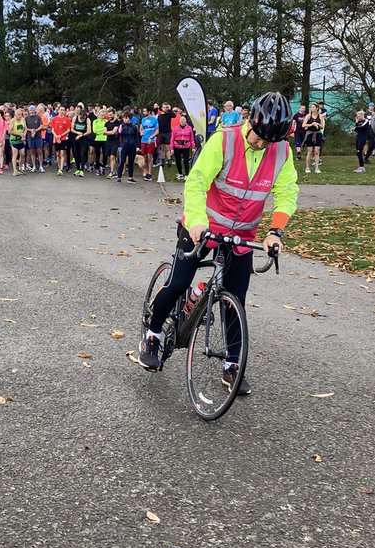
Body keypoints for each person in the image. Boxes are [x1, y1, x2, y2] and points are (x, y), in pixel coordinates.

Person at [138, 92, 298, 394]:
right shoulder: (224, 141)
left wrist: (276, 231)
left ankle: (232, 366)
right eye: (259, 137)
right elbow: (197, 181)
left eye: (269, 141)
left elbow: (287, 192)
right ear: (248, 120)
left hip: (241, 236)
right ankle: (153, 333)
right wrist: (197, 221)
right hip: (203, 228)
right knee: (177, 282)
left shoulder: (281, 153)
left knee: (235, 297)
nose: (261, 144)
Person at [117, 108, 140, 183]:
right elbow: (117, 137)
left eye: (126, 118)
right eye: (123, 118)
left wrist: (138, 146)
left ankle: (130, 177)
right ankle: (119, 177)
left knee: (131, 162)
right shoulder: (121, 126)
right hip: (124, 145)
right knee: (122, 161)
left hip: (132, 145)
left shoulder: (133, 127)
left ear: (129, 118)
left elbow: (136, 136)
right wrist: (119, 132)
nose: (124, 119)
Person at [301, 104, 324, 174]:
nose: (312, 108)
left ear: (317, 108)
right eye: (311, 107)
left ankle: (317, 168)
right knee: (310, 151)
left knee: (317, 151)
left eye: (313, 107)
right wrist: (311, 124)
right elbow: (303, 125)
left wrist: (317, 124)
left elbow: (322, 126)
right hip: (310, 134)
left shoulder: (320, 116)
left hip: (317, 134)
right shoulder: (308, 116)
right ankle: (307, 167)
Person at [171, 115, 195, 180]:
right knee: (178, 160)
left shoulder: (189, 128)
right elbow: (172, 138)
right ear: (179, 121)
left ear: (186, 121)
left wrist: (193, 147)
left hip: (186, 146)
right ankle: (180, 173)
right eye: (181, 120)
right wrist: (171, 148)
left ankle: (187, 174)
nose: (182, 121)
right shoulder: (175, 128)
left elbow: (192, 138)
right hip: (177, 146)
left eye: (183, 120)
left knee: (186, 160)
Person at [50, 105, 72, 175]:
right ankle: (59, 167)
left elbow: (68, 130)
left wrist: (61, 135)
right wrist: (56, 136)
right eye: (61, 110)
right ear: (58, 110)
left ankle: (61, 168)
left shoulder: (67, 119)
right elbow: (52, 129)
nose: (62, 111)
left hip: (63, 138)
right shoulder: (54, 119)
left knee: (62, 153)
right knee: (58, 154)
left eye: (63, 110)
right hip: (56, 139)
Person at [353, 109, 372, 173]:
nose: (358, 118)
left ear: (362, 115)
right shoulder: (358, 122)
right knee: (358, 153)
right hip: (358, 137)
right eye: (357, 116)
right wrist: (356, 124)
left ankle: (362, 167)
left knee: (359, 152)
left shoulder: (366, 121)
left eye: (359, 116)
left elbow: (361, 127)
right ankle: (360, 166)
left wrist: (356, 124)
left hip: (363, 138)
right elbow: (356, 128)